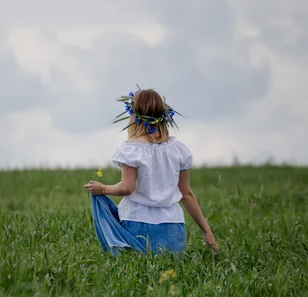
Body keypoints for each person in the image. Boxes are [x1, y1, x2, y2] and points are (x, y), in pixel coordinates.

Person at [84, 88, 218, 255]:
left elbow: (127, 188)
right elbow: (187, 194)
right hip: (172, 227)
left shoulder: (132, 149)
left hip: (135, 223)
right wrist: (206, 231)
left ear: (133, 116)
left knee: (135, 271)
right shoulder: (178, 150)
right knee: (168, 273)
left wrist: (102, 189)